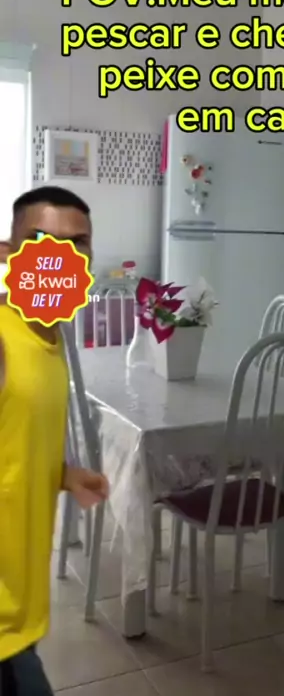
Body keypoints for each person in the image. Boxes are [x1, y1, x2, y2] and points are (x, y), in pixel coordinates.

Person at [0, 186, 109, 695]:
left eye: (76, 245)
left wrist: (62, 474)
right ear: (9, 254)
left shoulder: (51, 338)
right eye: (43, 242)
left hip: (21, 607)